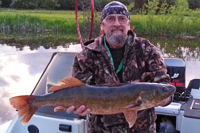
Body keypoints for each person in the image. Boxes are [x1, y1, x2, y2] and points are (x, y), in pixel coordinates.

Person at [54, 1, 172, 133]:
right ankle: (32, 103)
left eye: (122, 19)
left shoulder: (147, 50)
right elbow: (78, 89)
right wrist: (78, 109)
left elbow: (164, 84)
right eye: (110, 19)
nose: (117, 23)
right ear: (102, 26)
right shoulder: (86, 56)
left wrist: (164, 98)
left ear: (128, 25)